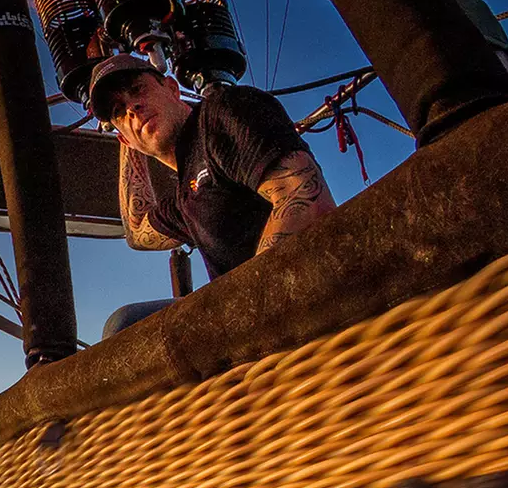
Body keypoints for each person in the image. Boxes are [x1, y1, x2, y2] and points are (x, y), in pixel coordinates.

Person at [93, 52, 336, 335]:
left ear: (172, 89)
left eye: (138, 90)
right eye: (119, 110)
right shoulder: (186, 196)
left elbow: (304, 200)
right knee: (124, 325)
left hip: (300, 310)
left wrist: (243, 313)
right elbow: (137, 231)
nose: (132, 108)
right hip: (249, 323)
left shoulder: (223, 112)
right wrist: (130, 141)